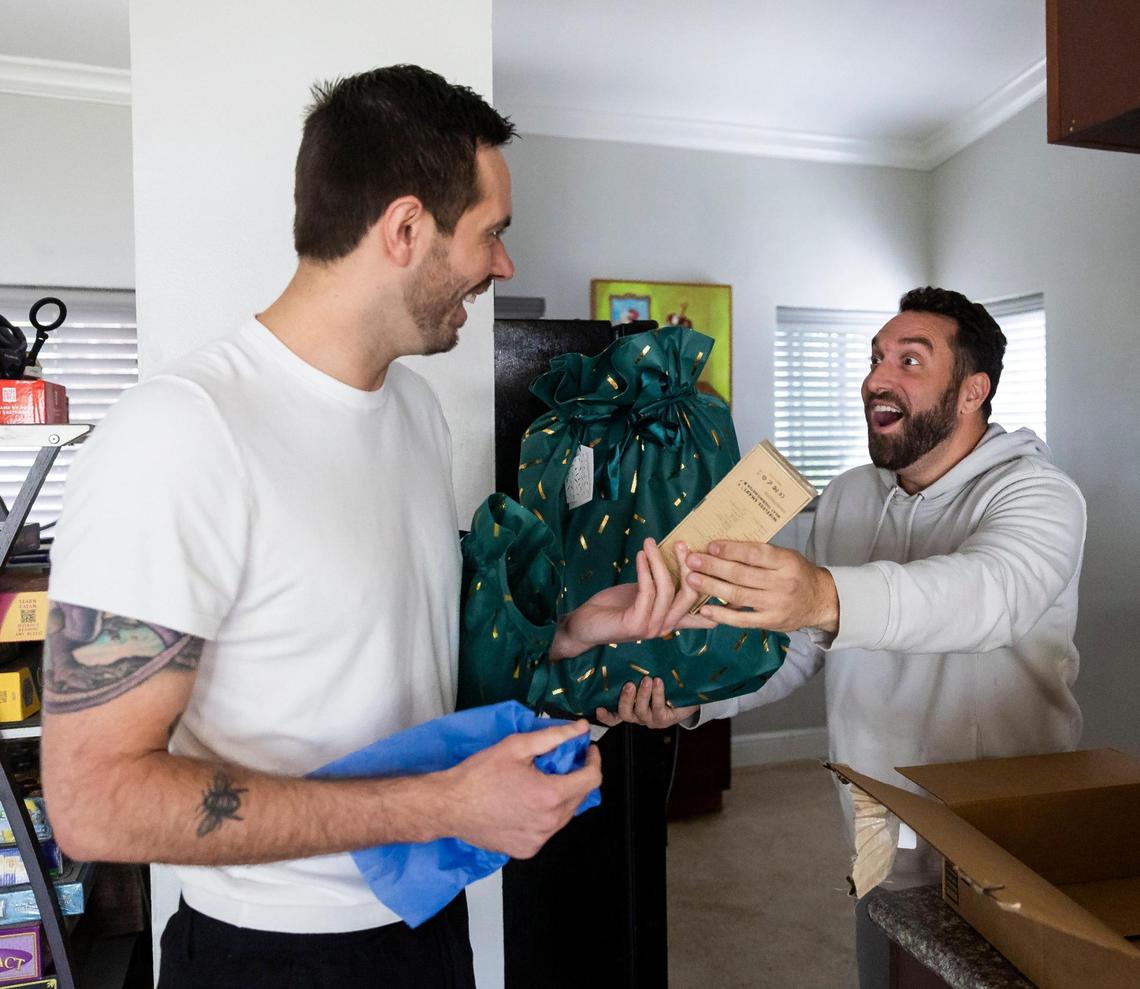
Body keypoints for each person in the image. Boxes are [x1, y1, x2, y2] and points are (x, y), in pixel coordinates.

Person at [41, 65, 703, 989]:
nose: (504, 266)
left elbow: (387, 656)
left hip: (423, 926)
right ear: (404, 228)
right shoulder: (181, 435)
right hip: (268, 960)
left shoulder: (413, 412)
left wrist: (566, 634)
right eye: (492, 233)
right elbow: (92, 802)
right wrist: (440, 803)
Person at [600, 286, 1086, 986]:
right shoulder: (853, 494)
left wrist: (823, 593)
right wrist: (692, 699)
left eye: (909, 361)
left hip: (1003, 845)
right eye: (875, 358)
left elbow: (989, 596)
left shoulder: (1038, 494)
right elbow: (799, 648)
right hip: (877, 834)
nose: (877, 378)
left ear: (972, 390)